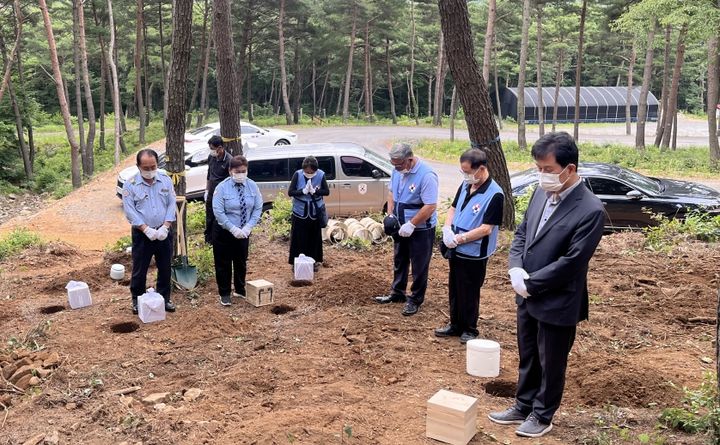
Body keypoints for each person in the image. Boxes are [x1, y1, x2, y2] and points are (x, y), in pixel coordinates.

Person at [488, 132, 605, 438]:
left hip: (558, 299)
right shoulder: (541, 193)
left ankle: (542, 414)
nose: (542, 175)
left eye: (549, 170)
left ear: (570, 169)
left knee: (551, 361)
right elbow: (523, 233)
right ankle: (523, 404)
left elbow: (573, 261)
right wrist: (515, 269)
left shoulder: (590, 210)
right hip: (525, 294)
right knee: (528, 353)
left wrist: (532, 282)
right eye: (539, 168)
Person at [435, 148, 504, 343]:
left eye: (468, 172)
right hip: (455, 248)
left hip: (474, 252)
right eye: (463, 172)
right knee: (455, 287)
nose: (465, 175)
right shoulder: (466, 185)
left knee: (470, 290)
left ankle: (470, 328)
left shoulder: (495, 195)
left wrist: (460, 238)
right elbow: (453, 207)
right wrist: (448, 229)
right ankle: (455, 324)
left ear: (481, 169)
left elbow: (486, 229)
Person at [374, 143, 438, 316]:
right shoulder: (397, 170)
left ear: (409, 159)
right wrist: (390, 215)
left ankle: (415, 299)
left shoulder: (427, 175)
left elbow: (430, 205)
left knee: (419, 265)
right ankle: (397, 293)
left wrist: (412, 224)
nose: (396, 168)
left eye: (399, 164)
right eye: (393, 164)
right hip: (400, 225)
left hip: (421, 229)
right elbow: (391, 194)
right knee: (400, 259)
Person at [121, 149, 177, 314]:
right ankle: (137, 300)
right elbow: (130, 211)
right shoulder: (130, 184)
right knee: (140, 268)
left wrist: (166, 226)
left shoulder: (165, 180)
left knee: (165, 267)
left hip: (163, 231)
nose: (150, 170)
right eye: (146, 168)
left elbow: (171, 204)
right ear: (138, 166)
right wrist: (145, 229)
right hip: (142, 234)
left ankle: (164, 298)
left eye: (153, 166)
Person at [212, 155, 263, 306]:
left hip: (244, 231)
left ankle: (240, 289)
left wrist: (248, 227)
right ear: (230, 171)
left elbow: (258, 207)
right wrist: (232, 228)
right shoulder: (222, 188)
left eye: (243, 171)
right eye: (237, 171)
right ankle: (225, 293)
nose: (241, 174)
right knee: (224, 263)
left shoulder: (252, 185)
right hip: (224, 231)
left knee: (241, 261)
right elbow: (218, 211)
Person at [287, 156, 330, 271]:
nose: (309, 173)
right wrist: (302, 191)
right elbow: (290, 192)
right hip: (300, 212)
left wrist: (315, 191)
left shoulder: (321, 175)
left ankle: (314, 261)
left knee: (314, 238)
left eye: (312, 171)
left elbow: (326, 191)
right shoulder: (297, 174)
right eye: (307, 171)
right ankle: (297, 262)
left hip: (315, 212)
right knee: (299, 238)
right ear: (303, 169)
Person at [204, 135, 232, 244]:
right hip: (211, 193)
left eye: (212, 148)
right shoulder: (211, 157)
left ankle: (218, 239)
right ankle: (209, 239)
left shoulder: (229, 160)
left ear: (220, 148)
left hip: (222, 196)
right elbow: (209, 174)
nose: (211, 151)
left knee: (219, 217)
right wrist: (206, 190)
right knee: (209, 217)